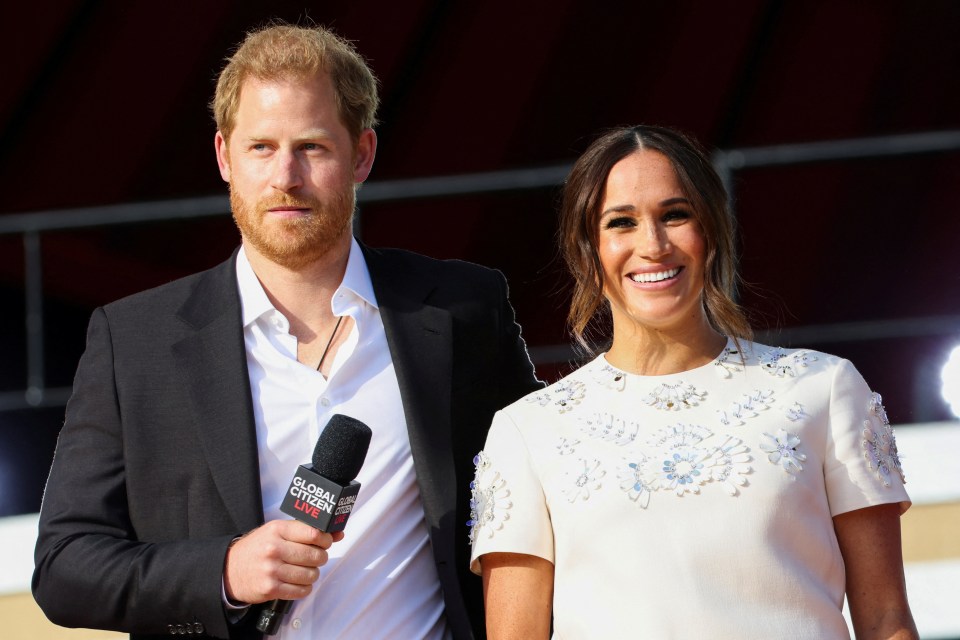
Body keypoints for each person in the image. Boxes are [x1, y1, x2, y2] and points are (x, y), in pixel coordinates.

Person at [33, 23, 541, 640]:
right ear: (224, 156)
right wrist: (223, 571)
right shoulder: (134, 342)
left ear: (362, 154)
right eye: (261, 148)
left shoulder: (464, 310)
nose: (285, 177)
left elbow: (543, 487)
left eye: (313, 147)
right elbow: (64, 566)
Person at [467, 125, 918, 639]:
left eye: (674, 215)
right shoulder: (528, 431)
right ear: (586, 251)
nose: (653, 245)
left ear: (711, 232)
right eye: (622, 223)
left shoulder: (824, 388)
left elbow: (887, 622)